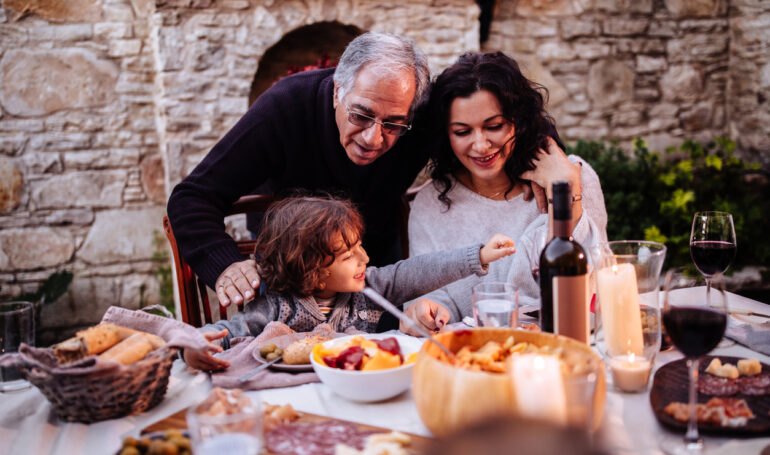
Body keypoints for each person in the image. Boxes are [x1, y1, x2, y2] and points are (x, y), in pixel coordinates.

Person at [166, 32, 431, 310]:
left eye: (393, 125)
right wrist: (225, 263)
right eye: (361, 116)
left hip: (376, 264)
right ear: (337, 91)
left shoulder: (420, 114)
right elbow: (191, 198)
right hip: (290, 269)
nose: (372, 139)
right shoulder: (285, 107)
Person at [183, 196, 516, 371]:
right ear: (312, 269)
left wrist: (480, 255)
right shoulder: (274, 310)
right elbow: (226, 334)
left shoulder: (371, 288)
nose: (366, 257)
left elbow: (418, 270)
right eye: (349, 254)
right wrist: (191, 346)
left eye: (360, 244)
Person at [405, 52, 608, 330]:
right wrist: (425, 312)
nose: (480, 145)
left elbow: (596, 289)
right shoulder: (430, 204)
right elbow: (429, 296)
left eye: (494, 126)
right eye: (462, 132)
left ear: (519, 120)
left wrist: (566, 193)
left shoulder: (574, 176)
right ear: (445, 135)